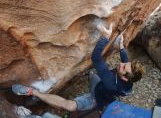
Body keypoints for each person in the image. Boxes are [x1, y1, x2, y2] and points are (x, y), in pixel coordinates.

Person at [12, 23, 144, 114]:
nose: (121, 64)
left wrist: (104, 38)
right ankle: (91, 75)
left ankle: (33, 92)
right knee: (94, 74)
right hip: (101, 83)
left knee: (69, 106)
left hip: (97, 97)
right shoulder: (129, 79)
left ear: (125, 78)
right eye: (125, 64)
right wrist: (121, 46)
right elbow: (125, 60)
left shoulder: (111, 82)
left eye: (123, 68)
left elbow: (96, 58)